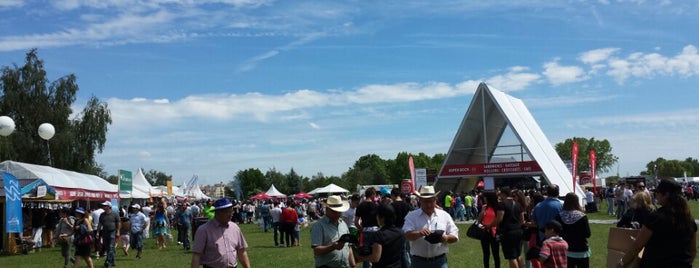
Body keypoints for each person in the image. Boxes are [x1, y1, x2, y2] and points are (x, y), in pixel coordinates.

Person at [617, 179, 697, 268]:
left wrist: (621, 264)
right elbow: (693, 250)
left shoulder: (656, 217)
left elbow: (637, 246)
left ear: (666, 194)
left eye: (658, 192)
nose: (656, 195)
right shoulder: (688, 219)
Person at [403, 186, 459, 268]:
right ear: (420, 201)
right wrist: (419, 233)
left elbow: (455, 236)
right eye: (425, 202)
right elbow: (406, 235)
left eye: (431, 201)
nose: (428, 205)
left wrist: (445, 238)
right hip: (419, 262)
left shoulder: (444, 215)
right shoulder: (411, 216)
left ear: (435, 200)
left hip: (440, 262)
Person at [191, 198, 251, 268]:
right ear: (218, 213)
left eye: (232, 211)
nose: (231, 214)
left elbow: (241, 251)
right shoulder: (203, 230)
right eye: (228, 212)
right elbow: (196, 255)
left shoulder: (235, 228)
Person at [310, 195, 356, 268]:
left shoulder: (343, 224)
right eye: (334, 211)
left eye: (339, 211)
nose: (338, 214)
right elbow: (316, 250)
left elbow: (348, 247)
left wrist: (353, 265)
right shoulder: (319, 226)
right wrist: (333, 247)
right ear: (327, 209)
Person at [554, 193, 590, 268]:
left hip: (565, 249)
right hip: (581, 249)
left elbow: (557, 233)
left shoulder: (559, 216)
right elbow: (587, 234)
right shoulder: (582, 216)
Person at [364, 203, 405, 268]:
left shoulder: (379, 234)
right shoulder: (401, 232)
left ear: (382, 218)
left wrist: (363, 258)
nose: (376, 218)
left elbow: (375, 258)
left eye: (377, 216)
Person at [496, 187, 525, 268]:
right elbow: (522, 220)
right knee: (518, 255)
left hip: (508, 232)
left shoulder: (502, 204)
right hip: (518, 231)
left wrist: (490, 225)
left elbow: (499, 218)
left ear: (503, 194)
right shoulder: (518, 204)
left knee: (511, 257)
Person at [355, 187, 380, 268]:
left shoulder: (360, 206)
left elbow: (356, 222)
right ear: (373, 194)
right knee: (376, 254)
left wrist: (361, 230)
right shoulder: (376, 206)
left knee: (365, 254)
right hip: (376, 231)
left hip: (365, 231)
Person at [390, 188, 412, 268]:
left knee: (400, 252)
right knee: (406, 251)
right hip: (406, 230)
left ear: (393, 195)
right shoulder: (407, 205)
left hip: (395, 231)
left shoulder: (391, 206)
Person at [478, 190, 501, 268]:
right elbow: (479, 220)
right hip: (485, 232)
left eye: (485, 197)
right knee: (486, 253)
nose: (484, 199)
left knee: (496, 254)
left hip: (495, 232)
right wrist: (482, 212)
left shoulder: (498, 207)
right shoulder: (485, 207)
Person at [96, 201, 121, 267]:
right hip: (104, 232)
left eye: (105, 206)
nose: (103, 207)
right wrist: (98, 232)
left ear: (109, 207)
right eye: (103, 206)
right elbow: (100, 224)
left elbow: (118, 223)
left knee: (111, 247)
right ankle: (113, 261)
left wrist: (118, 231)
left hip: (112, 232)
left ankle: (108, 261)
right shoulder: (102, 214)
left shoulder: (115, 214)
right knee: (108, 248)